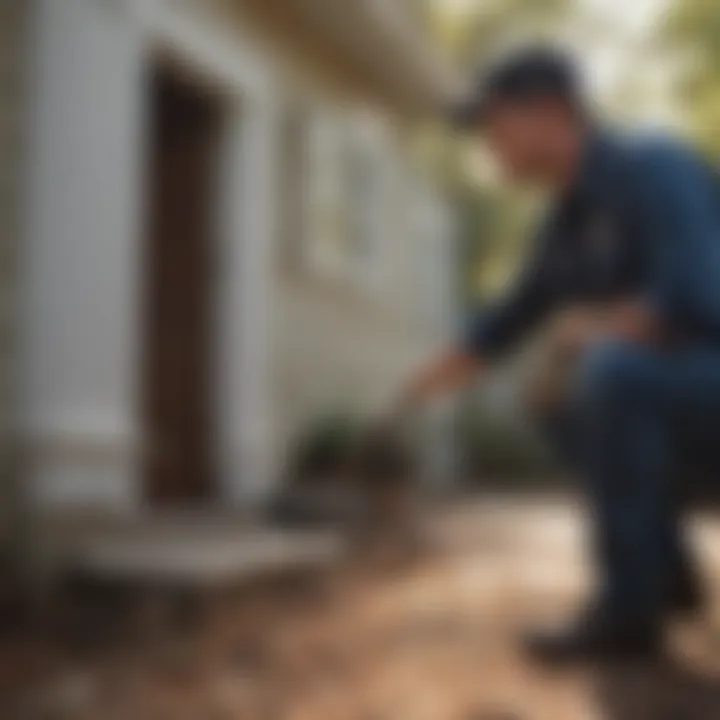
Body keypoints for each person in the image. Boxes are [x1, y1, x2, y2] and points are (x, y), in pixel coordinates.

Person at [400, 46, 720, 663]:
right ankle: (661, 575)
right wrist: (438, 371)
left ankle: (628, 614)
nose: (486, 144)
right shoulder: (566, 222)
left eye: (493, 124)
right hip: (676, 392)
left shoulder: (655, 166)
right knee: (554, 402)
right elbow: (513, 314)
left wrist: (591, 327)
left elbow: (695, 296)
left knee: (610, 371)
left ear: (550, 114)